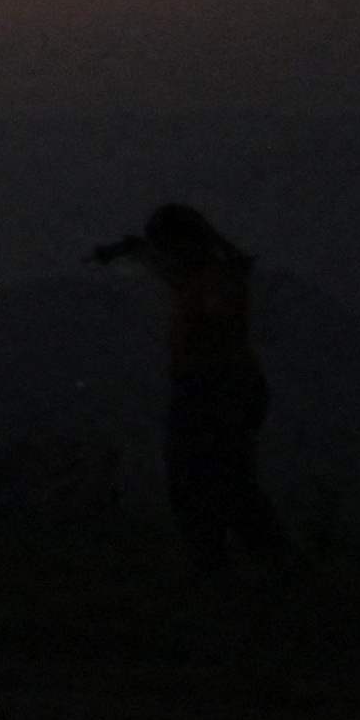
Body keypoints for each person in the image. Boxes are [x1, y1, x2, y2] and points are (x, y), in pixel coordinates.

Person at [94, 200, 288, 575]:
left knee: (211, 481)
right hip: (215, 388)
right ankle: (249, 566)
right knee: (217, 481)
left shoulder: (213, 279)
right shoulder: (204, 274)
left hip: (217, 390)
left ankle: (242, 567)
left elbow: (216, 317)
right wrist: (132, 252)